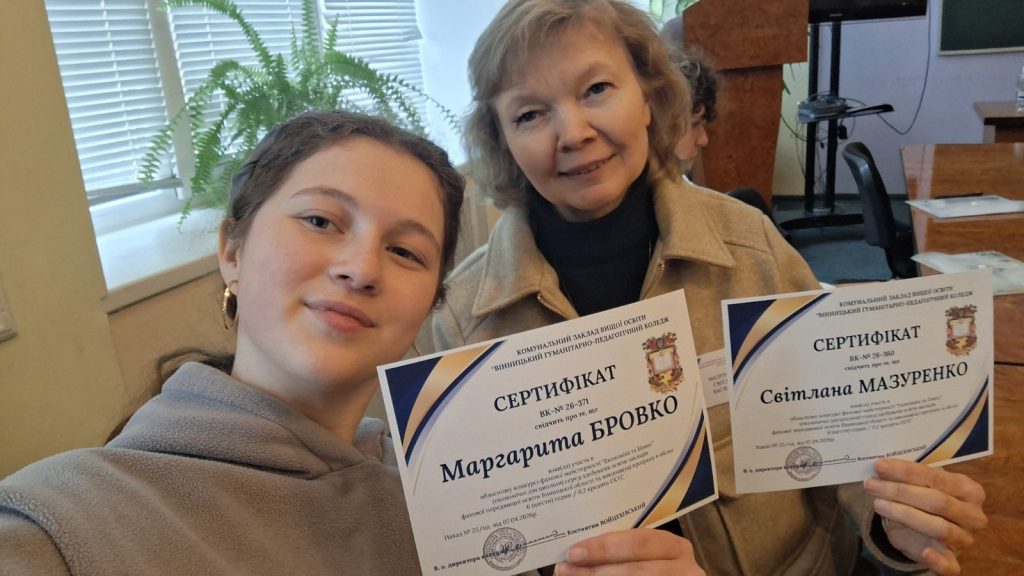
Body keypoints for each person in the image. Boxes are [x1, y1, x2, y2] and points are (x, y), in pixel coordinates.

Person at [431, 1, 987, 575]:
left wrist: (893, 518)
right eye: (528, 114)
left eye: (596, 89)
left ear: (648, 96)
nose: (573, 133)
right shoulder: (465, 316)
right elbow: (486, 537)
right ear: (501, 140)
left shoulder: (751, 246)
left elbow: (837, 423)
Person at [0, 110, 465, 575]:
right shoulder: (53, 526)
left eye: (405, 252)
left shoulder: (456, 491)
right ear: (231, 250)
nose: (361, 270)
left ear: (431, 303)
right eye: (320, 221)